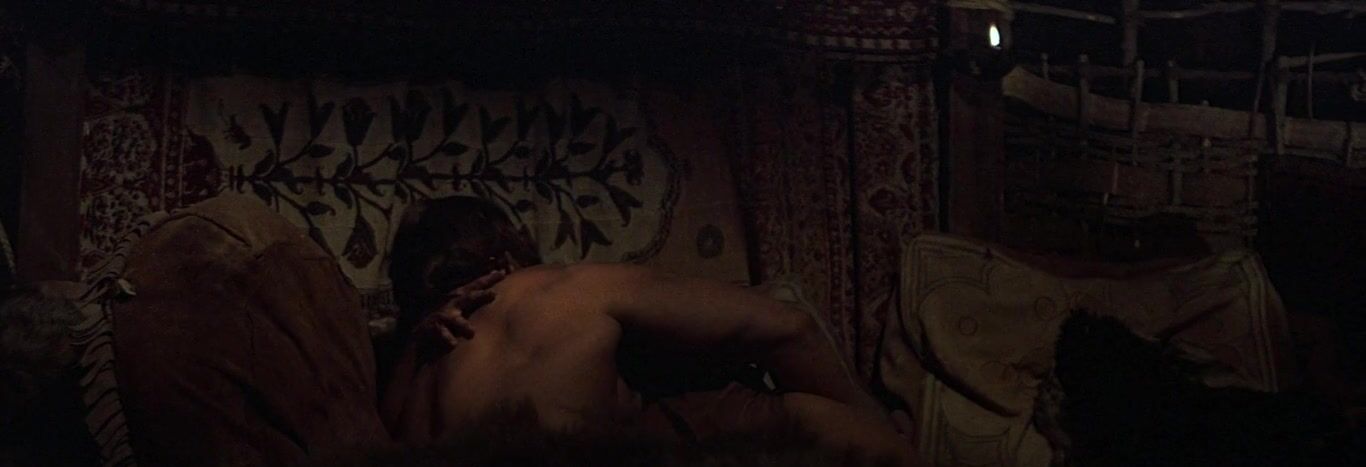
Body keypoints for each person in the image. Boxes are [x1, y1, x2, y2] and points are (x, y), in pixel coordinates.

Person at [378, 196, 916, 466]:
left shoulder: (410, 373)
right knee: (809, 417)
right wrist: (873, 423)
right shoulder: (562, 288)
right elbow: (789, 326)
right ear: (504, 252)